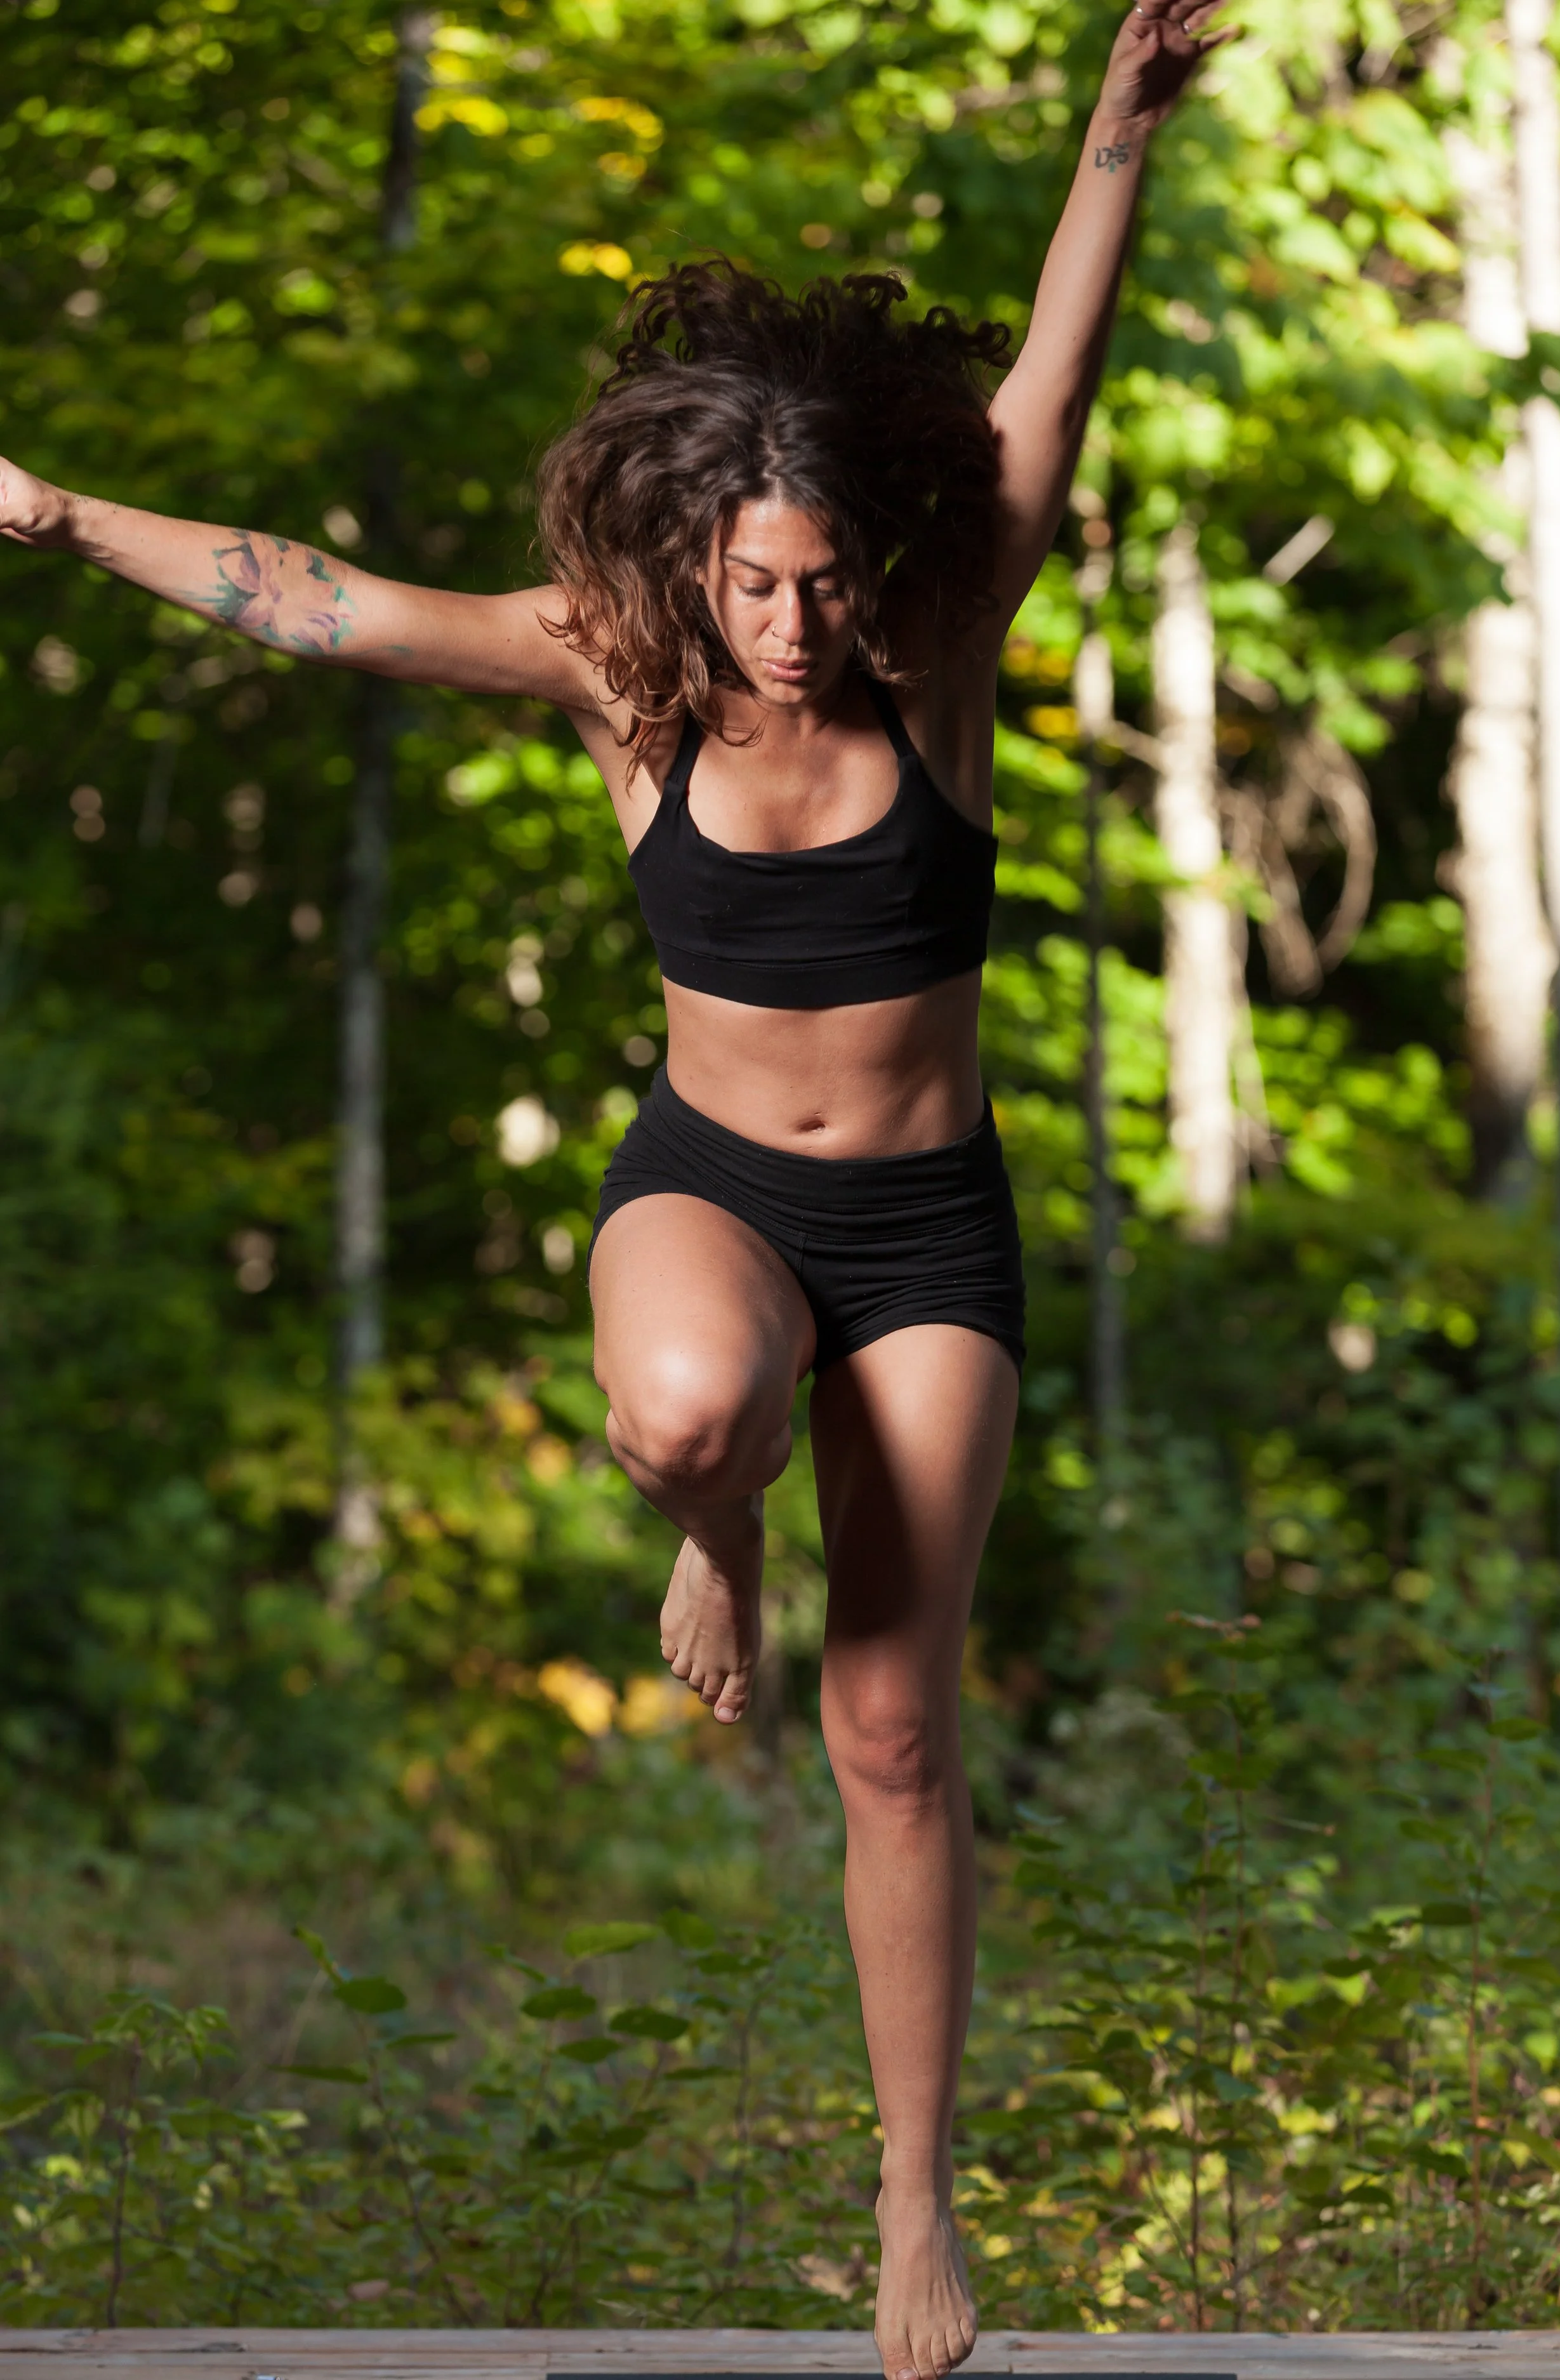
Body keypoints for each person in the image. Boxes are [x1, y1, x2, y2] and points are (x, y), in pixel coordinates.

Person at [1, 3, 1224, 2365]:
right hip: (714, 1201)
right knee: (676, 1401)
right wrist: (57, 512)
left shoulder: (936, 649)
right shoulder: (620, 678)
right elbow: (318, 596)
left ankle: (908, 2205)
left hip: (927, 1233)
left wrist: (1109, 142)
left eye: (816, 581)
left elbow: (1041, 413)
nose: (784, 626)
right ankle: (716, 1510)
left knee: (890, 1728)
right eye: (750, 581)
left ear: (868, 553)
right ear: (692, 554)